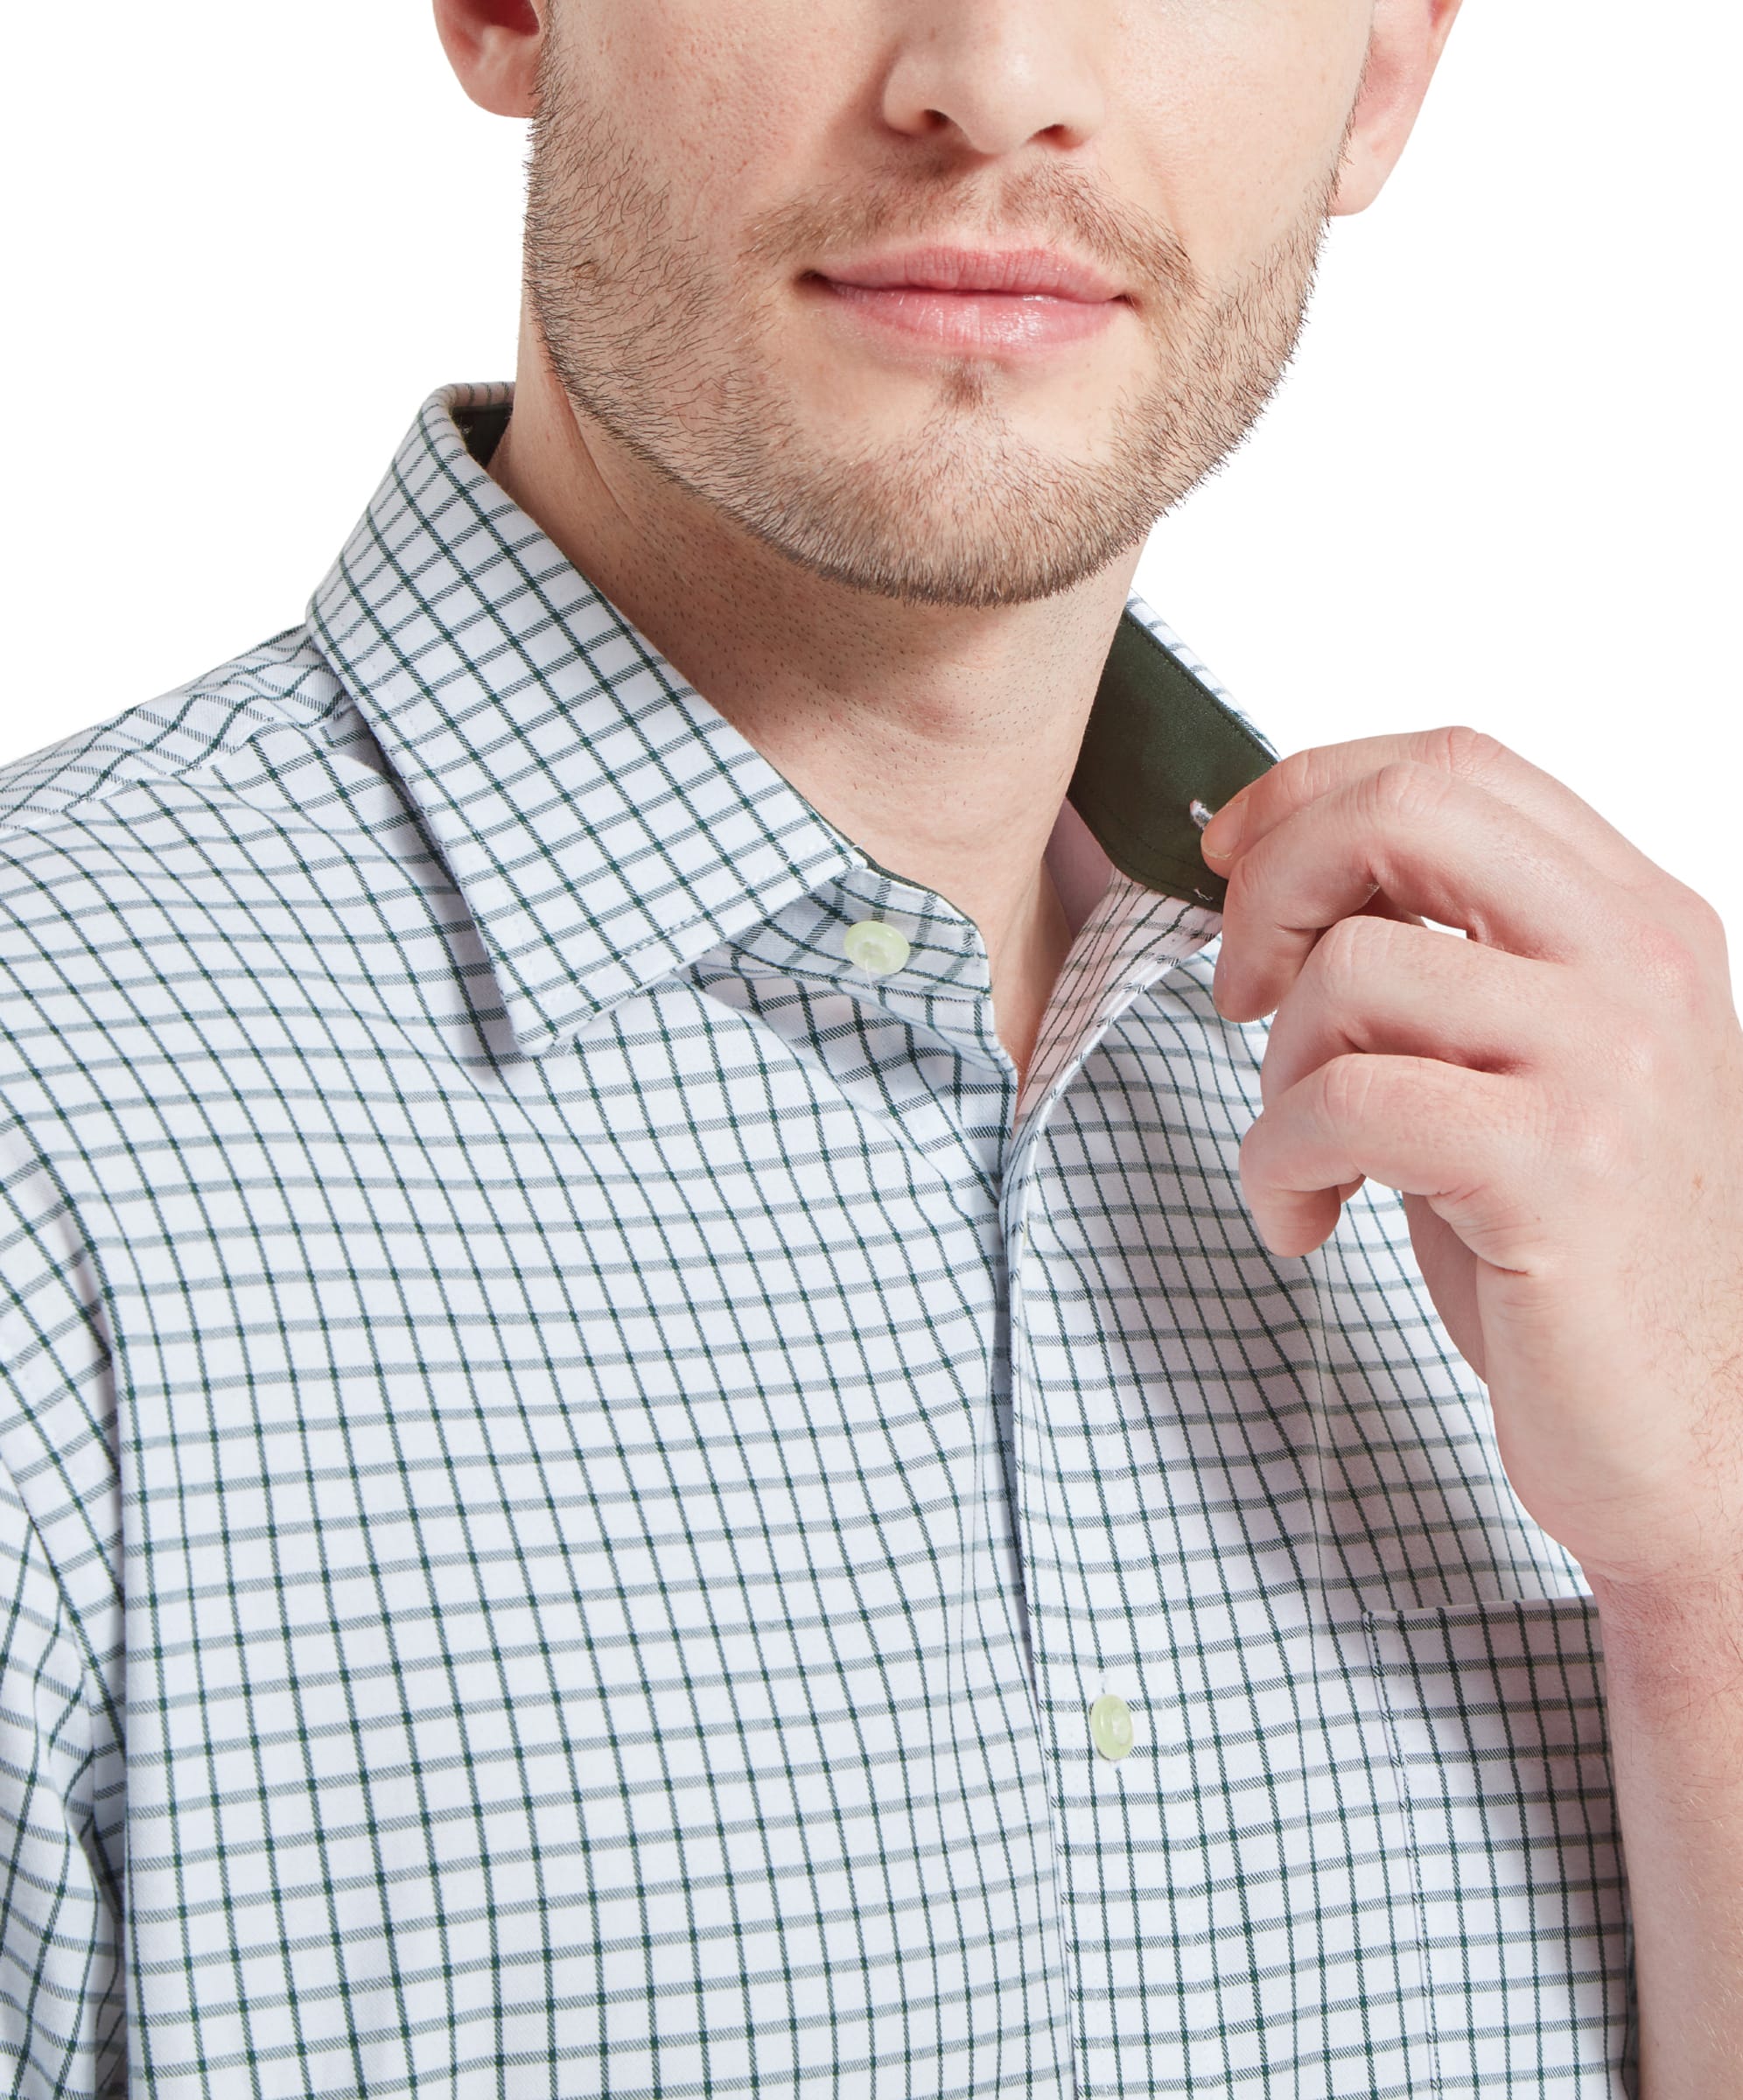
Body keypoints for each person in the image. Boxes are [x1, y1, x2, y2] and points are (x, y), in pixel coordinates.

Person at [2, 0, 1738, 2090]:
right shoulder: (47, 1155)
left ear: (1382, 67)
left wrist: (1712, 1589)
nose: (997, 73)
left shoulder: (1584, 1180)